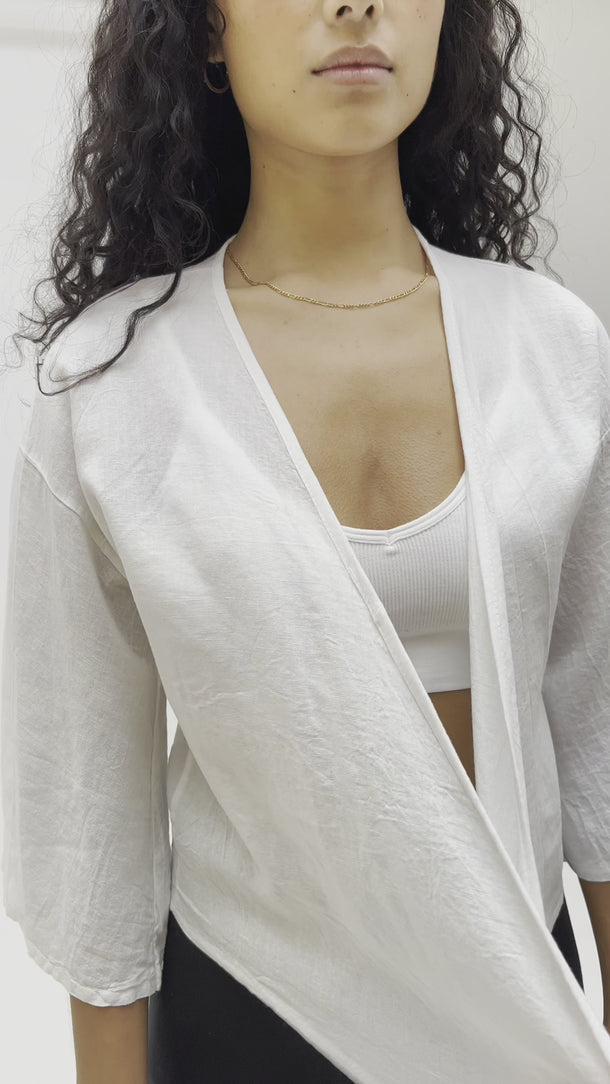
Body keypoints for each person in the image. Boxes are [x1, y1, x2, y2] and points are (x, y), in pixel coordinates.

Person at [2, 2, 610, 1082]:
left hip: (522, 1003)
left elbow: (598, 740)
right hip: (252, 1010)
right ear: (204, 30)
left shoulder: (553, 351)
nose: (354, 4)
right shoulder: (110, 386)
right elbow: (89, 823)